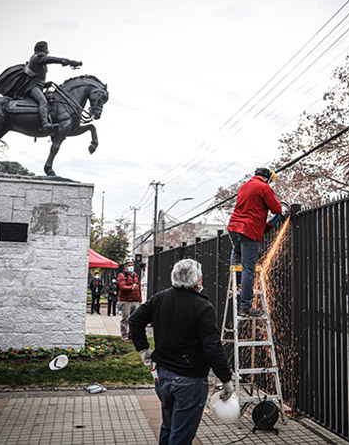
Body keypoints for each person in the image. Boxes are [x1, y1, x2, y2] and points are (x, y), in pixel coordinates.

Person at [130, 259, 233, 445]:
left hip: (163, 376)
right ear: (198, 281)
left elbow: (135, 320)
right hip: (190, 381)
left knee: (168, 426)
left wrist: (143, 350)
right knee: (181, 435)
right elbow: (212, 346)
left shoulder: (160, 297)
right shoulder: (203, 307)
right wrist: (226, 379)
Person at [226, 167, 282, 317]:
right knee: (248, 269)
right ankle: (245, 307)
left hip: (234, 227)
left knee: (236, 253)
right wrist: (282, 209)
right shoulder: (264, 187)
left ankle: (235, 285)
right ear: (267, 178)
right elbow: (277, 209)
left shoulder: (244, 186)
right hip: (249, 231)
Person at [0, 41, 82, 133]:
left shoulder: (38, 58)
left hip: (36, 86)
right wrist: (70, 62)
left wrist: (45, 85)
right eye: (46, 48)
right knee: (43, 102)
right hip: (31, 88)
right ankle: (45, 124)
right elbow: (53, 59)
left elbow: (35, 78)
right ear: (42, 49)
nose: (47, 51)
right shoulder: (38, 58)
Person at [117, 260, 141, 342]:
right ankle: (124, 336)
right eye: (129, 265)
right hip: (125, 301)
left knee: (134, 319)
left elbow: (139, 288)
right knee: (125, 319)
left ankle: (132, 334)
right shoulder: (122, 275)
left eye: (132, 265)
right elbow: (122, 287)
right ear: (125, 267)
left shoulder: (135, 275)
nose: (131, 267)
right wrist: (131, 288)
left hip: (135, 300)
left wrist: (139, 300)